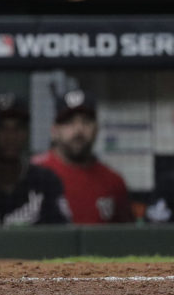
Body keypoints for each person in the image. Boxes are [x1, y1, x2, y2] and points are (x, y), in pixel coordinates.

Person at [32, 90, 133, 224]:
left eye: (86, 121)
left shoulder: (113, 181)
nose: (78, 130)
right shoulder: (34, 174)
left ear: (96, 129)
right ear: (54, 131)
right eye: (69, 122)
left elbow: (125, 238)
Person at [0, 93, 70, 227]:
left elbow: (63, 236)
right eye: (2, 128)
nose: (11, 137)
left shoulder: (45, 181)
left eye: (18, 128)